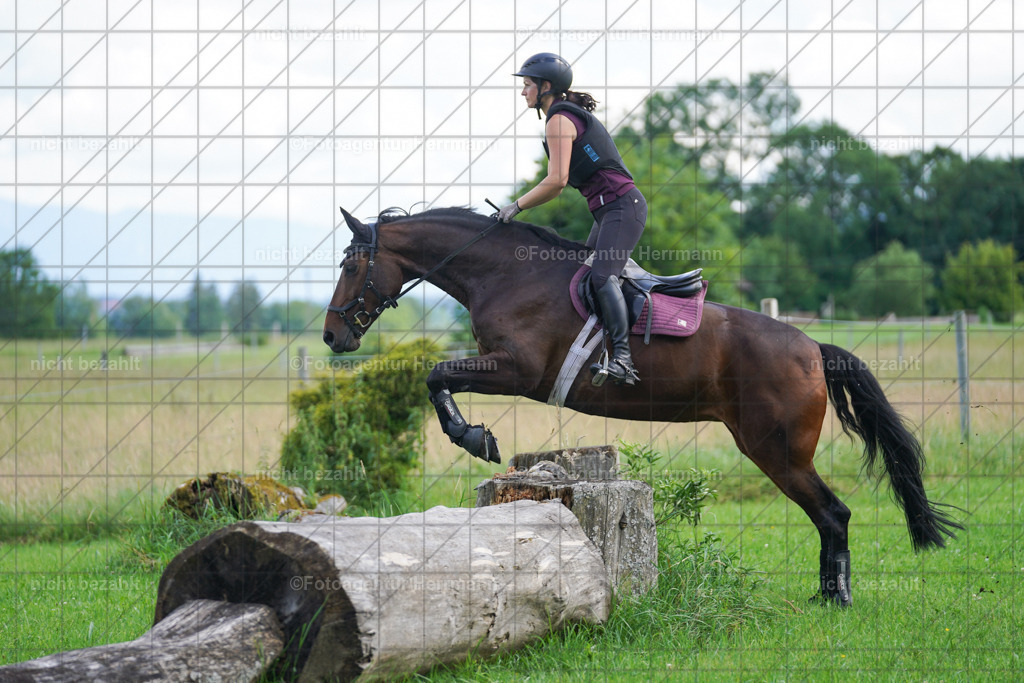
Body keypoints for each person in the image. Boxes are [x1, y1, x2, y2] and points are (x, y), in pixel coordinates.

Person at [497, 52, 646, 386]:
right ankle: (591, 349)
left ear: (545, 86)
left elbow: (556, 181)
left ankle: (623, 359)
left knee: (600, 277)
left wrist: (515, 207)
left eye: (527, 85)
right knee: (581, 273)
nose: (523, 92)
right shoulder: (560, 117)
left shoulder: (559, 120)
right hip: (611, 210)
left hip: (622, 207)